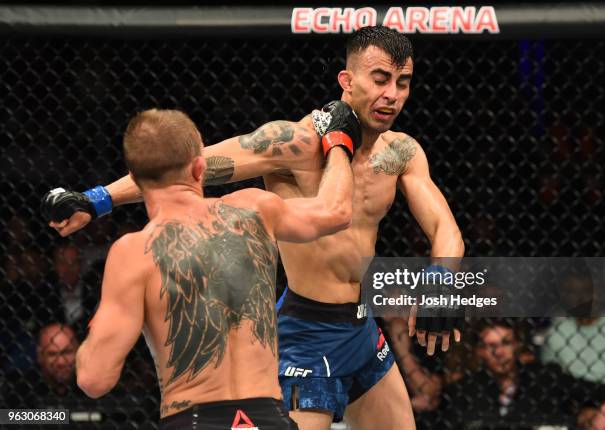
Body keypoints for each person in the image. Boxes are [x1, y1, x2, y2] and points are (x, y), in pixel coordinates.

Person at [43, 26, 463, 429]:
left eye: (403, 82)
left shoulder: (401, 152)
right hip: (305, 333)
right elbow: (186, 165)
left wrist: (442, 276)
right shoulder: (296, 144)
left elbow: (445, 226)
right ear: (347, 81)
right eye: (381, 79)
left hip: (362, 326)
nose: (392, 94)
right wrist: (97, 199)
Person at [69, 108, 355, 429]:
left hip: (193, 419)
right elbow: (337, 210)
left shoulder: (134, 253)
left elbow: (94, 379)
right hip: (268, 417)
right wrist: (339, 142)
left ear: (134, 179)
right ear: (200, 167)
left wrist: (98, 326)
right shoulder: (254, 210)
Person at [437, 320, 605, 430]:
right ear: (479, 351)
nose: (499, 352)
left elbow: (600, 392)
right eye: (490, 346)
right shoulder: (466, 389)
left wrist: (592, 414)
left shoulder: (545, 378)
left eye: (506, 343)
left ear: (517, 345)